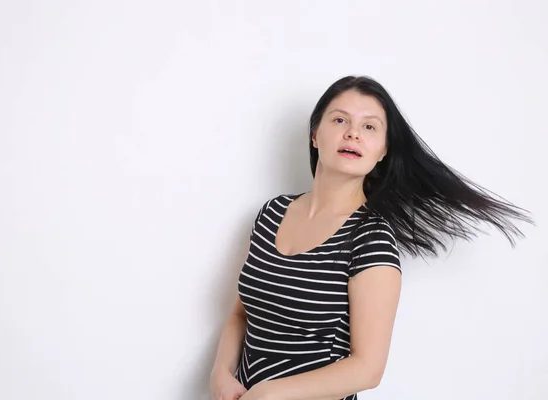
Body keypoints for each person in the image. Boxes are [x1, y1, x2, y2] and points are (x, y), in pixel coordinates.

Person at [209, 75, 532, 400]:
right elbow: (242, 313)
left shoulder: (370, 239)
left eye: (369, 127)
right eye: (339, 120)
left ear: (382, 151)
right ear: (315, 135)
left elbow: (367, 369)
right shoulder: (272, 212)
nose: (352, 133)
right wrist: (221, 374)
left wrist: (269, 394)